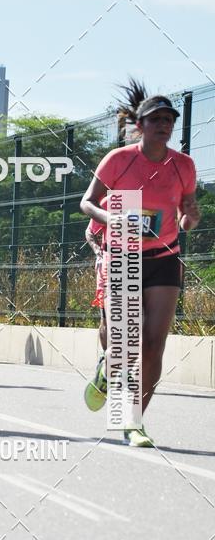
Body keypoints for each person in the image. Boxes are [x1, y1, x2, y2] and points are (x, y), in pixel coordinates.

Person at [80, 80, 200, 446]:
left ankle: (133, 422)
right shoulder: (120, 160)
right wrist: (110, 218)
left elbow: (184, 217)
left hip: (164, 257)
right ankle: (108, 369)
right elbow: (87, 202)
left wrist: (190, 219)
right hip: (123, 254)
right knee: (125, 343)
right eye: (157, 119)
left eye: (169, 119)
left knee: (153, 345)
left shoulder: (184, 166)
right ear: (141, 124)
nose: (164, 125)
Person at [83, 197, 108, 409]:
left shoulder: (153, 199)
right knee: (107, 318)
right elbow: (90, 231)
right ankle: (106, 360)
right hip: (110, 267)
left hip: (142, 266)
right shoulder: (110, 202)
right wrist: (98, 250)